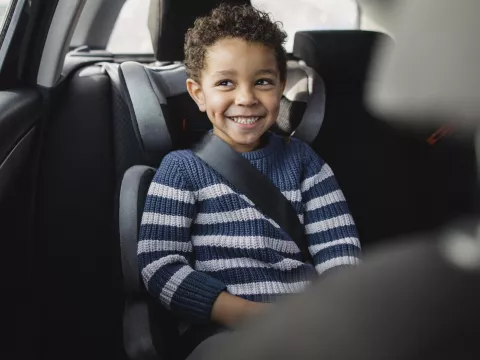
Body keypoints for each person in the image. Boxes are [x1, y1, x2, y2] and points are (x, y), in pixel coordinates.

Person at [137, 3, 361, 357]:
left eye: (262, 82)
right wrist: (250, 314)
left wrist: (327, 313)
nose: (246, 98)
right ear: (198, 93)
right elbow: (160, 266)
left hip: (307, 324)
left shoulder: (306, 164)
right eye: (226, 82)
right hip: (220, 329)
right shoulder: (180, 170)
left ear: (281, 87)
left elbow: (339, 253)